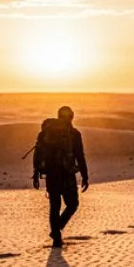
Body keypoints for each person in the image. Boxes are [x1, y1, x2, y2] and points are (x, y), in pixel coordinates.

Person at [32, 105, 89, 248]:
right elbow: (79, 156)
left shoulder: (45, 133)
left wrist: (36, 174)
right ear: (71, 117)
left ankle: (56, 238)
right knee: (72, 205)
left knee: (54, 207)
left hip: (51, 175)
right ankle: (56, 232)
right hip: (67, 175)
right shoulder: (74, 134)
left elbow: (37, 154)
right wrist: (85, 176)